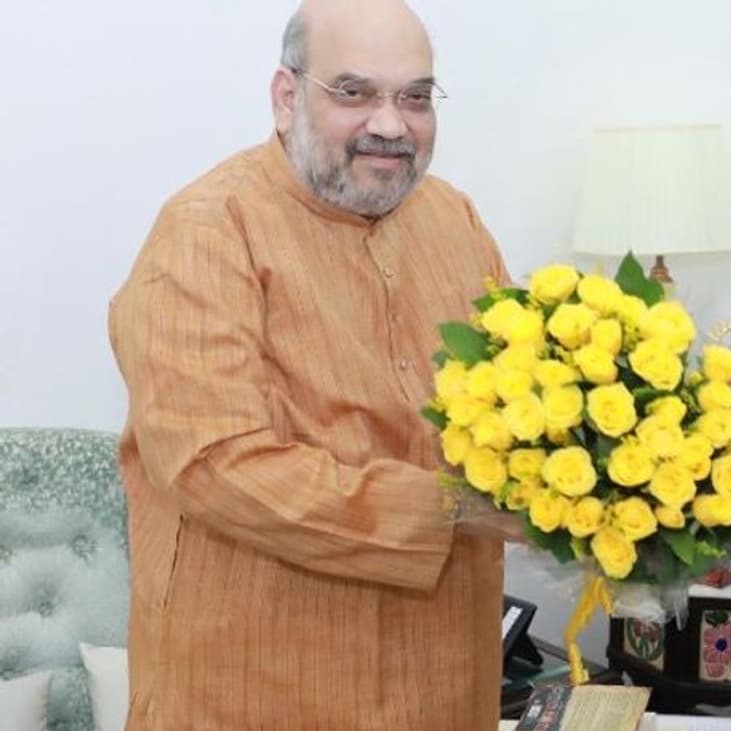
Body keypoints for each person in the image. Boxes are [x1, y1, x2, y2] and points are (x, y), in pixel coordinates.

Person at [108, 1, 521, 727]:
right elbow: (216, 464)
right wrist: (456, 507)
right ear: (286, 96)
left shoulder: (453, 219)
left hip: (444, 678)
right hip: (262, 687)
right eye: (354, 92)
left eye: (415, 98)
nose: (391, 125)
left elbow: (524, 397)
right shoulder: (207, 232)